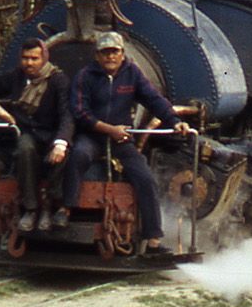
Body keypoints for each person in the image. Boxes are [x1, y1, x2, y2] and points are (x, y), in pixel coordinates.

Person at [61, 31, 192, 254]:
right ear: (97, 56)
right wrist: (109, 129)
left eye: (114, 52)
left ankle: (153, 239)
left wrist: (175, 121)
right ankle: (66, 210)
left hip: (121, 139)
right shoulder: (85, 76)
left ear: (122, 54)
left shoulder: (132, 74)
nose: (110, 56)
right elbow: (80, 112)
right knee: (78, 156)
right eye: (105, 52)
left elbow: (154, 99)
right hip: (92, 135)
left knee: (144, 177)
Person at [0, 39, 74, 231]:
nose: (29, 63)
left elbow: (66, 114)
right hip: (27, 132)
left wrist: (61, 143)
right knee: (24, 149)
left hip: (52, 133)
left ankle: (50, 206)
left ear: (44, 59)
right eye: (25, 58)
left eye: (34, 59)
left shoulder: (58, 81)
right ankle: (30, 208)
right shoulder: (16, 77)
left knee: (60, 157)